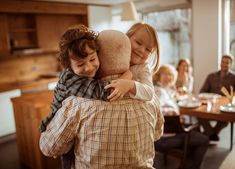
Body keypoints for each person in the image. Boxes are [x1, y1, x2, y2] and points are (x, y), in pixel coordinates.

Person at [39, 29, 164, 169]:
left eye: (92, 59)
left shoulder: (77, 104)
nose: (88, 67)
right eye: (81, 64)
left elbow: (49, 148)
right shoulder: (152, 100)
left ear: (99, 55)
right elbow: (157, 134)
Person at [153, 64, 209, 169]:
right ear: (158, 76)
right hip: (165, 136)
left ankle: (186, 164)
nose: (168, 77)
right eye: (165, 74)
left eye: (170, 74)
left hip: (168, 132)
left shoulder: (166, 91)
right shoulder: (160, 91)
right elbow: (155, 110)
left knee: (197, 133)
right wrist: (172, 113)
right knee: (204, 139)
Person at [105, 22, 160, 102]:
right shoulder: (115, 55)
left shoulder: (142, 67)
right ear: (126, 37)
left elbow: (149, 93)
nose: (141, 50)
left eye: (148, 49)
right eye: (138, 43)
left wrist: (130, 85)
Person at [199, 54, 235, 141]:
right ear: (220, 63)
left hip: (224, 108)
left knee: (226, 119)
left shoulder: (234, 78)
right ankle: (212, 134)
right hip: (210, 106)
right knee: (199, 115)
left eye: (227, 63)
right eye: (223, 62)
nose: (224, 64)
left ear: (231, 65)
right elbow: (202, 92)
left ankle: (211, 133)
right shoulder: (211, 76)